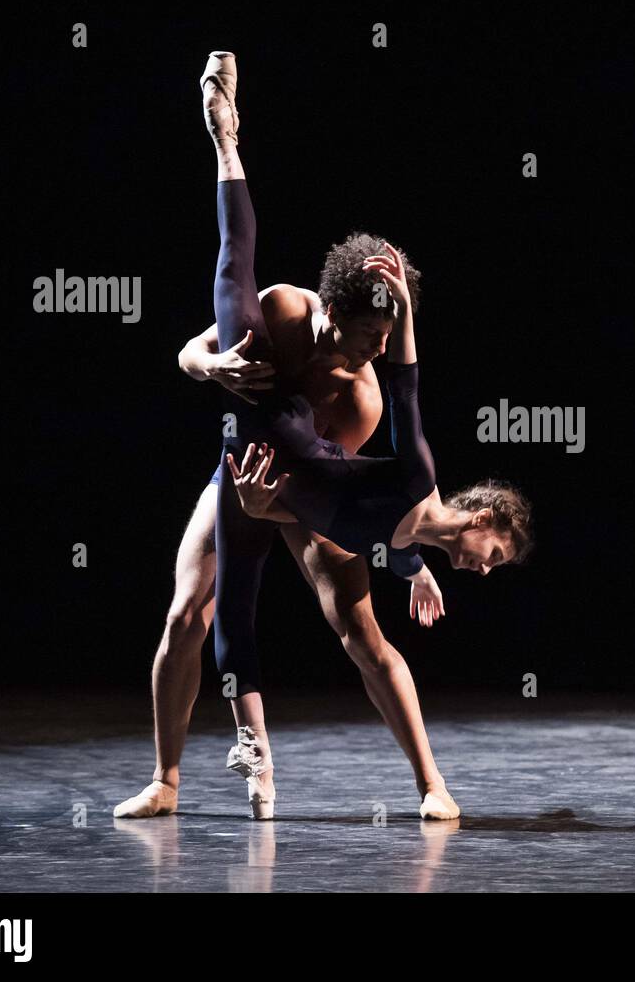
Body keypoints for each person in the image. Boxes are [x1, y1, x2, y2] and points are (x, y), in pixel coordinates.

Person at [201, 50, 533, 812]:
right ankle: (225, 139)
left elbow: (332, 519)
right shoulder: (415, 474)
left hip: (261, 465)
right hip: (274, 421)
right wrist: (409, 310)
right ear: (484, 517)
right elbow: (412, 390)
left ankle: (283, 764)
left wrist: (268, 507)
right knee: (234, 273)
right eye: (495, 554)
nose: (487, 570)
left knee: (246, 607)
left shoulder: (406, 547)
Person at [114, 275, 463, 823]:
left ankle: (432, 785)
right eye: (371, 331)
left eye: (387, 335)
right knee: (184, 616)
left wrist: (408, 561)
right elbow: (189, 353)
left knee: (363, 634)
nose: (378, 347)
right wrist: (213, 367)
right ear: (333, 312)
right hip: (242, 478)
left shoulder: (362, 398)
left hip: (309, 500)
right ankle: (165, 782)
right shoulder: (281, 308)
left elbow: (342, 501)